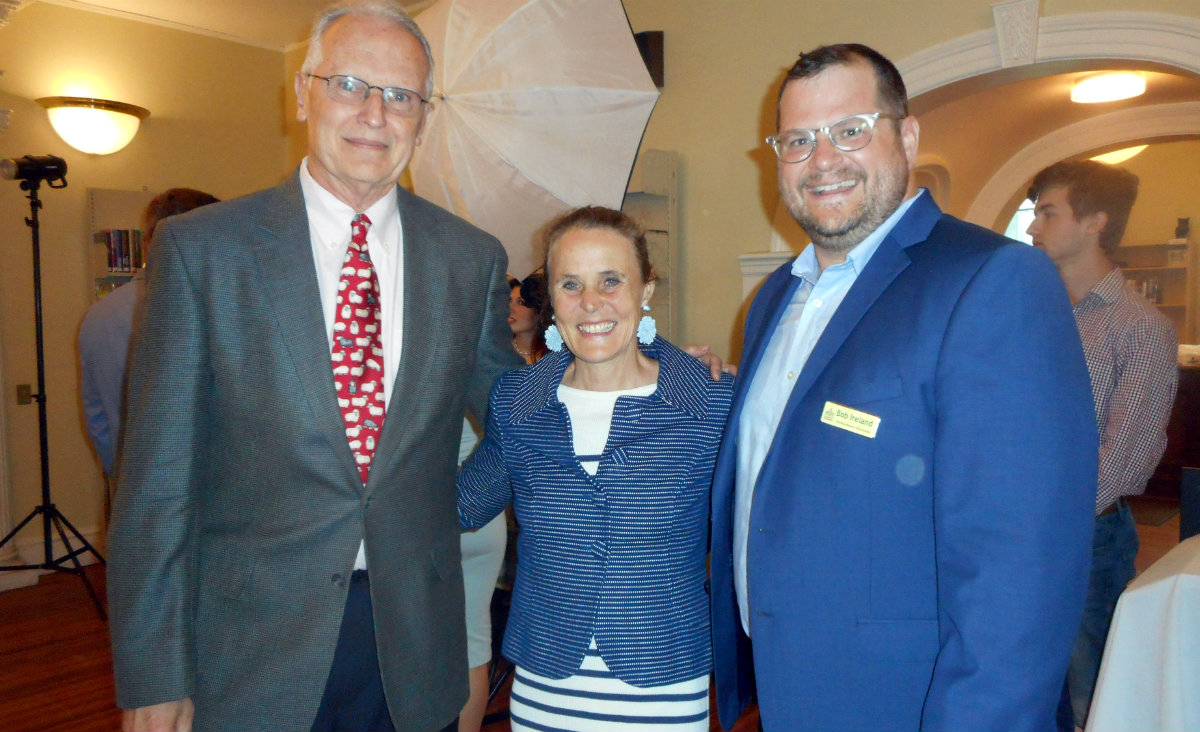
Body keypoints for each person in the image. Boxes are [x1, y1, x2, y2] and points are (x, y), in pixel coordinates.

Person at [106, 2, 521, 731]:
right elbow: (156, 487)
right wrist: (153, 673)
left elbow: (518, 417)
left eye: (401, 95)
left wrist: (643, 371)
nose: (374, 113)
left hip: (411, 642)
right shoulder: (202, 251)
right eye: (349, 84)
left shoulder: (470, 258)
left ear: (423, 117)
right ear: (301, 92)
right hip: (249, 647)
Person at [709, 43, 1098, 731]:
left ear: (907, 136)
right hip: (790, 692)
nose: (822, 159)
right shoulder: (774, 298)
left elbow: (1020, 575)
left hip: (910, 705)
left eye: (850, 129)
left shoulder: (992, 281)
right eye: (797, 140)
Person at [458, 206, 735, 732]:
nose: (591, 303)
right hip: (547, 679)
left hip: (662, 680)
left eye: (611, 281)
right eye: (570, 284)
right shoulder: (519, 402)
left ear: (645, 290)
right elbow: (463, 504)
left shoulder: (710, 404)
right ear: (553, 303)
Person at [1025, 160, 1179, 731]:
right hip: (1022, 530)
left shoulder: (1138, 326)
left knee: (1094, 692)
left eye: (1047, 212)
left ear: (1095, 222)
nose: (1032, 228)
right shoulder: (1032, 314)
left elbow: (1124, 457)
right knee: (1033, 686)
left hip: (1085, 536)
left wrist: (1040, 522)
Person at [78, 188, 218, 478]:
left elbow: (99, 421)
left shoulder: (99, 314)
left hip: (132, 490)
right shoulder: (213, 306)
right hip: (211, 502)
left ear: (145, 242)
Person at [508, 271, 550, 364]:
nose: (510, 309)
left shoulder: (557, 357)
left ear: (539, 310)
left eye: (521, 302)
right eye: (509, 301)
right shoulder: (495, 351)